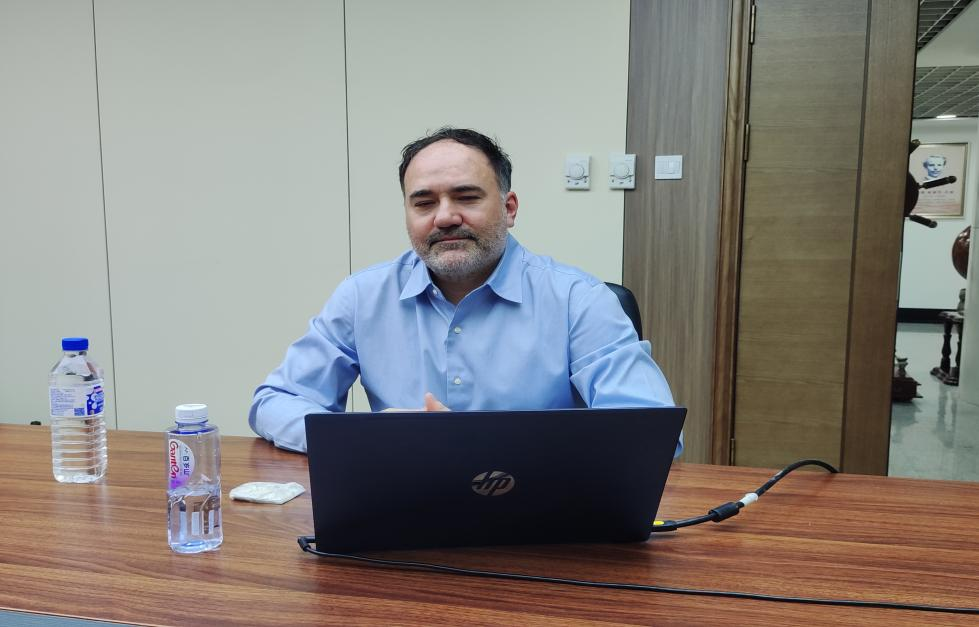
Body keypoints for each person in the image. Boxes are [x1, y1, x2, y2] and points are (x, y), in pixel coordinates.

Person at [249, 127, 679, 455]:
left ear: (509, 208)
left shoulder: (577, 299)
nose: (445, 217)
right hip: (401, 509)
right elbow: (277, 401)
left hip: (540, 517)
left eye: (466, 197)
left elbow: (651, 430)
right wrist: (365, 437)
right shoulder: (363, 297)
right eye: (424, 203)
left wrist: (484, 448)